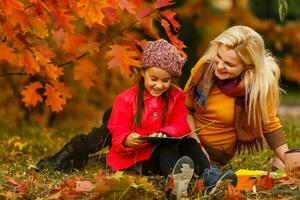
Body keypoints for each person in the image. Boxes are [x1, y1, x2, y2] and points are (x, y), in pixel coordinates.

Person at [38, 39, 236, 198]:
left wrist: (165, 132)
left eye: (165, 81)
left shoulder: (176, 96)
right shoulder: (126, 99)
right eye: (154, 79)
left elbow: (180, 123)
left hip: (162, 147)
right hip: (138, 155)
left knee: (189, 144)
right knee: (165, 150)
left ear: (172, 79)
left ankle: (210, 176)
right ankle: (177, 184)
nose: (159, 85)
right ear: (143, 73)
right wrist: (127, 139)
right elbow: (116, 130)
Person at [184, 25, 289, 168]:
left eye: (229, 64)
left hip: (216, 153)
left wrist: (288, 161)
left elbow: (269, 124)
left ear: (248, 66)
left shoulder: (259, 84)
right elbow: (185, 109)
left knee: (201, 172)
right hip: (189, 139)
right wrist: (196, 146)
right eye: (219, 56)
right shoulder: (205, 67)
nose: (219, 66)